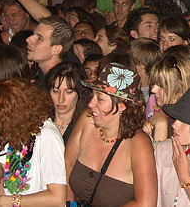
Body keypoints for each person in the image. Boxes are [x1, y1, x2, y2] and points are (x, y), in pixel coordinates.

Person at [66, 62, 157, 207]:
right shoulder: (87, 120)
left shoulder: (139, 143)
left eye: (100, 98)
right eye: (93, 95)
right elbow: (67, 164)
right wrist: (69, 204)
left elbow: (146, 203)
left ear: (122, 105)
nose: (90, 103)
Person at [0, 78, 67, 207]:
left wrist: (5, 202)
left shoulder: (47, 136)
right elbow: (2, 168)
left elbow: (57, 198)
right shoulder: (18, 131)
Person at [147, 45, 190, 143]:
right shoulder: (161, 115)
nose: (153, 89)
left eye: (161, 85)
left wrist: (161, 127)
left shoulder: (189, 126)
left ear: (180, 88)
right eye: (154, 83)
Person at [43, 61, 92, 144]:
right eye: (55, 91)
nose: (61, 99)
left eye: (69, 92)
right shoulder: (40, 121)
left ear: (80, 93)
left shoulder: (85, 126)